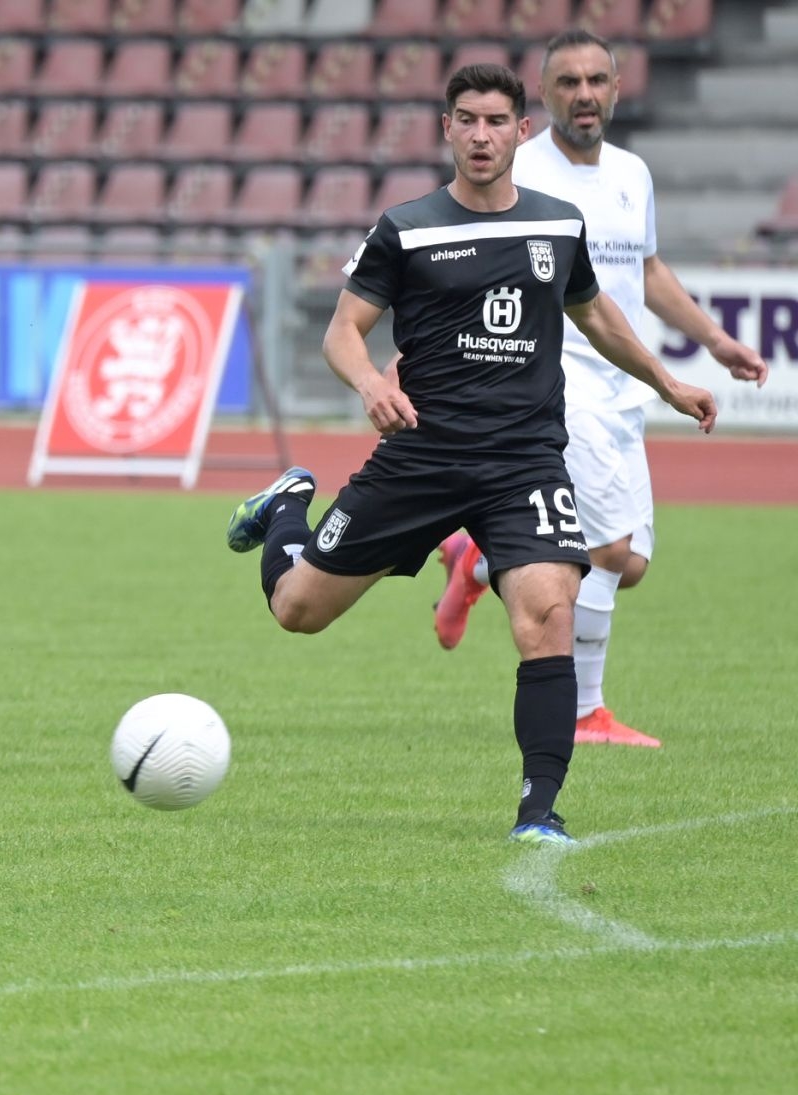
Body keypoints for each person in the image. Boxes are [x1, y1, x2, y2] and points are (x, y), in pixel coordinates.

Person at [223, 64, 715, 847]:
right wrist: (369, 384)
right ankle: (289, 501)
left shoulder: (558, 225)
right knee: (298, 611)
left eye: (495, 122)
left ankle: (539, 813)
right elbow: (343, 332)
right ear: (446, 128)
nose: (482, 136)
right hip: (422, 457)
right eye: (467, 120)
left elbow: (597, 316)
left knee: (548, 615)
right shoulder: (406, 228)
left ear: (522, 130)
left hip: (525, 462)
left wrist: (668, 382)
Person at [428, 30, 768, 749]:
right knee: (607, 547)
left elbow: (645, 270)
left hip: (621, 386)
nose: (583, 94)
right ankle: (586, 714)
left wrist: (714, 342)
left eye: (595, 81)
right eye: (568, 82)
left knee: (632, 564)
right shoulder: (521, 170)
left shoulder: (631, 174)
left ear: (617, 88)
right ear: (544, 95)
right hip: (551, 383)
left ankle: (477, 560)